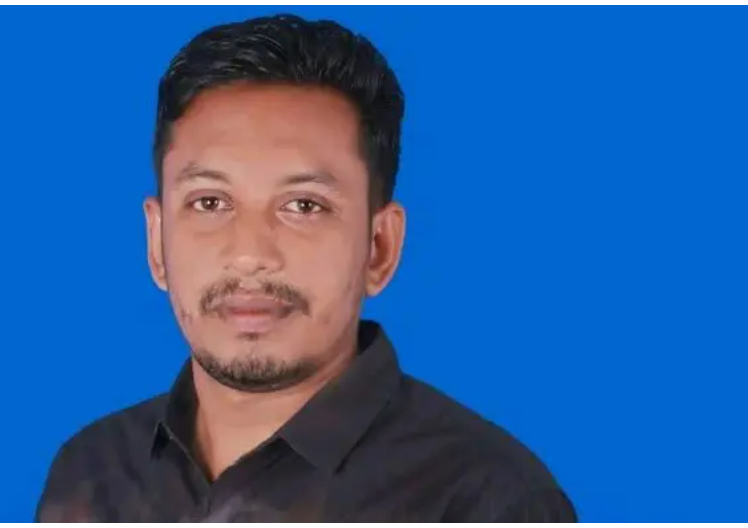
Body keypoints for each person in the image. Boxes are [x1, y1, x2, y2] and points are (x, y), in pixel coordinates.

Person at [35, 14, 576, 522]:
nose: (249, 254)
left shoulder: (487, 500)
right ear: (157, 242)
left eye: (304, 205)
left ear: (380, 247)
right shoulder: (89, 473)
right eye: (209, 202)